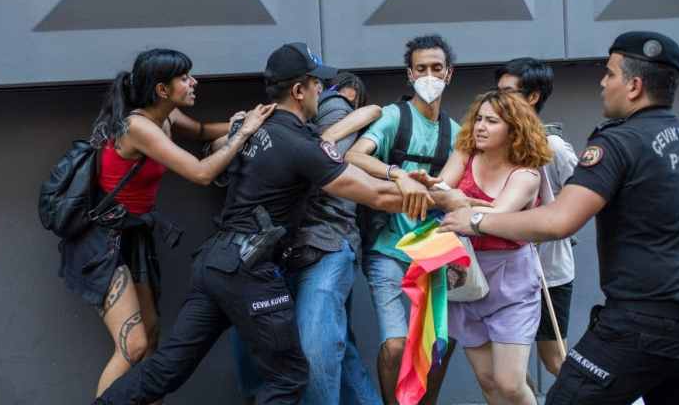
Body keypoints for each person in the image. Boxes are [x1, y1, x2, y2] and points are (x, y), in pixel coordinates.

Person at [94, 42, 408, 405]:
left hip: (214, 262)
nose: (322, 91)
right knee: (289, 376)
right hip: (248, 270)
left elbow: (207, 137)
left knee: (166, 367)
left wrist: (242, 129)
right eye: (317, 84)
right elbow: (376, 195)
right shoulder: (295, 143)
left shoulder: (265, 128)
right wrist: (441, 197)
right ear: (298, 90)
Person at [440, 31, 679, 405]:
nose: (602, 82)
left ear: (634, 85)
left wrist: (476, 221)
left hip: (641, 322)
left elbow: (558, 222)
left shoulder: (618, 141)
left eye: (610, 74)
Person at [58, 48, 272, 402]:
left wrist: (242, 123)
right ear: (161, 89)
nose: (194, 82)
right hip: (102, 240)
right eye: (185, 77)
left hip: (133, 235)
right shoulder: (138, 126)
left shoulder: (166, 119)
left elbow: (203, 131)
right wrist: (244, 132)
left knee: (152, 335)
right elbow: (202, 173)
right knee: (134, 344)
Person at [228, 71, 384, 405]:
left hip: (326, 242)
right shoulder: (288, 125)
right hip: (292, 248)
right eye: (320, 87)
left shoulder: (332, 106)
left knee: (318, 349)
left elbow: (364, 120)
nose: (324, 96)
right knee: (337, 349)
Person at [415, 90, 552, 404]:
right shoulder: (465, 155)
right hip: (466, 275)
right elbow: (440, 191)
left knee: (510, 383)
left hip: (511, 280)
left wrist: (462, 205)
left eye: (492, 121)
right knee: (488, 382)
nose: (480, 127)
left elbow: (499, 215)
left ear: (513, 129)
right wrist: (428, 185)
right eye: (479, 119)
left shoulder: (527, 174)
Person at [345, 34, 461, 404]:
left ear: (449, 74)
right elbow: (354, 155)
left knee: (438, 345)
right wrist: (399, 174)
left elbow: (457, 195)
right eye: (421, 68)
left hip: (433, 251)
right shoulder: (396, 116)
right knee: (395, 347)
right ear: (409, 74)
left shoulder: (455, 132)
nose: (429, 75)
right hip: (387, 248)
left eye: (436, 68)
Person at [495, 58, 578, 379]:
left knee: (555, 359)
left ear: (533, 97)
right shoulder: (493, 141)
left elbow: (582, 202)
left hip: (549, 273)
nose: (498, 101)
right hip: (503, 272)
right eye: (497, 92)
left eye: (508, 92)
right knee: (504, 368)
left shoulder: (553, 146)